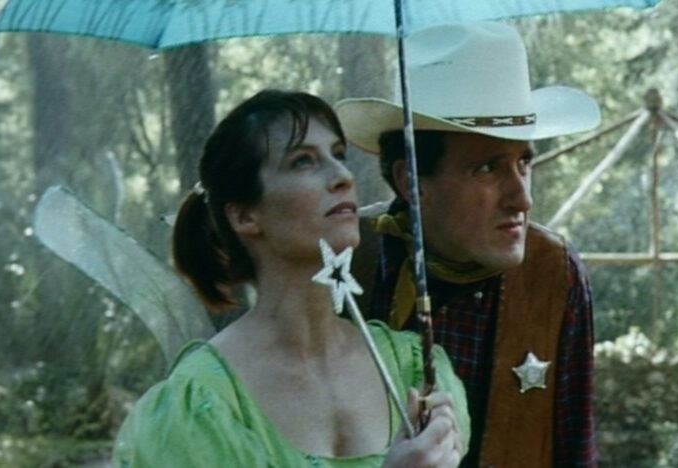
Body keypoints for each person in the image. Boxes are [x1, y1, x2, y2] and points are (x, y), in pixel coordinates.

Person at [112, 90, 469, 468]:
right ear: (244, 216)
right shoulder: (202, 405)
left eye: (339, 155)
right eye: (303, 161)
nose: (343, 176)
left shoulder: (413, 368)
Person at [337, 22, 600, 467]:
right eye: (487, 169)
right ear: (412, 181)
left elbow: (576, 453)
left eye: (524, 163)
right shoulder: (347, 262)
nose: (522, 199)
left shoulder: (553, 274)